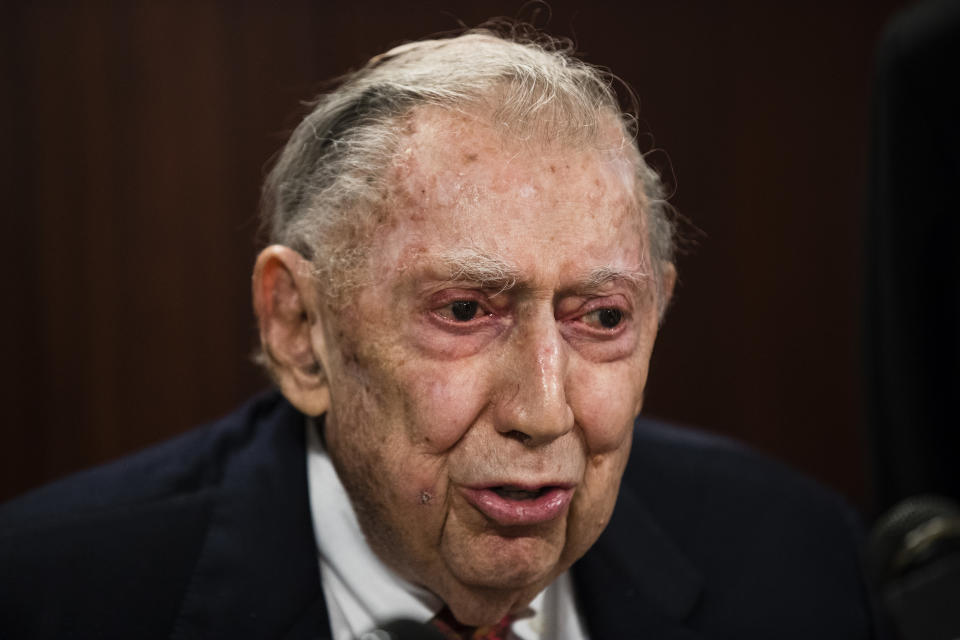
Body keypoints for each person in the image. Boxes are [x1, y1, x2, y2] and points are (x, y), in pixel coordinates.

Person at [1, 27, 880, 639]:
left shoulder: (800, 559)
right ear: (299, 329)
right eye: (465, 311)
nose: (542, 411)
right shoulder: (51, 597)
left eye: (603, 319)